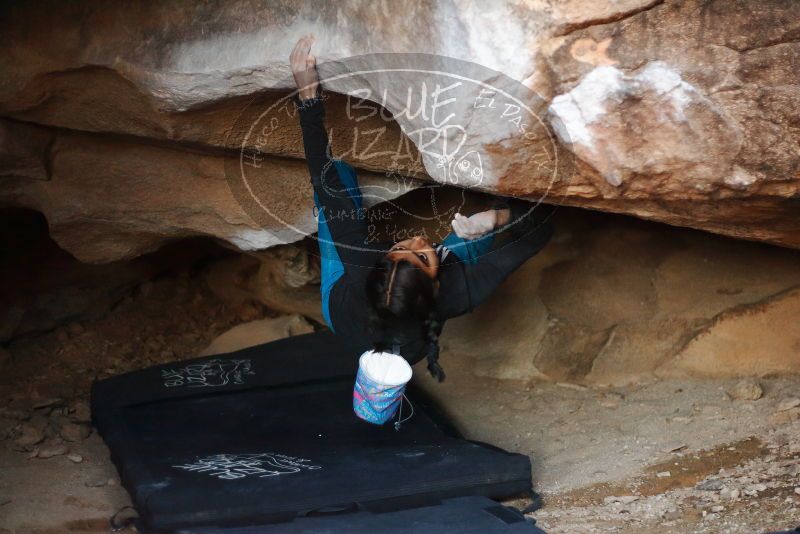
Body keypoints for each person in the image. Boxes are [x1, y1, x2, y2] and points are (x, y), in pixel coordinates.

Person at [290, 35, 553, 381]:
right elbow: (540, 233)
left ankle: (491, 213)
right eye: (423, 256)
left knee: (333, 185)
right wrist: (496, 219)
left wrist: (308, 98)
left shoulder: (360, 263)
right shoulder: (460, 292)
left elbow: (327, 187)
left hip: (344, 320)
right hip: (395, 341)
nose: (416, 240)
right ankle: (496, 211)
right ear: (437, 290)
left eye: (402, 249)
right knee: (479, 232)